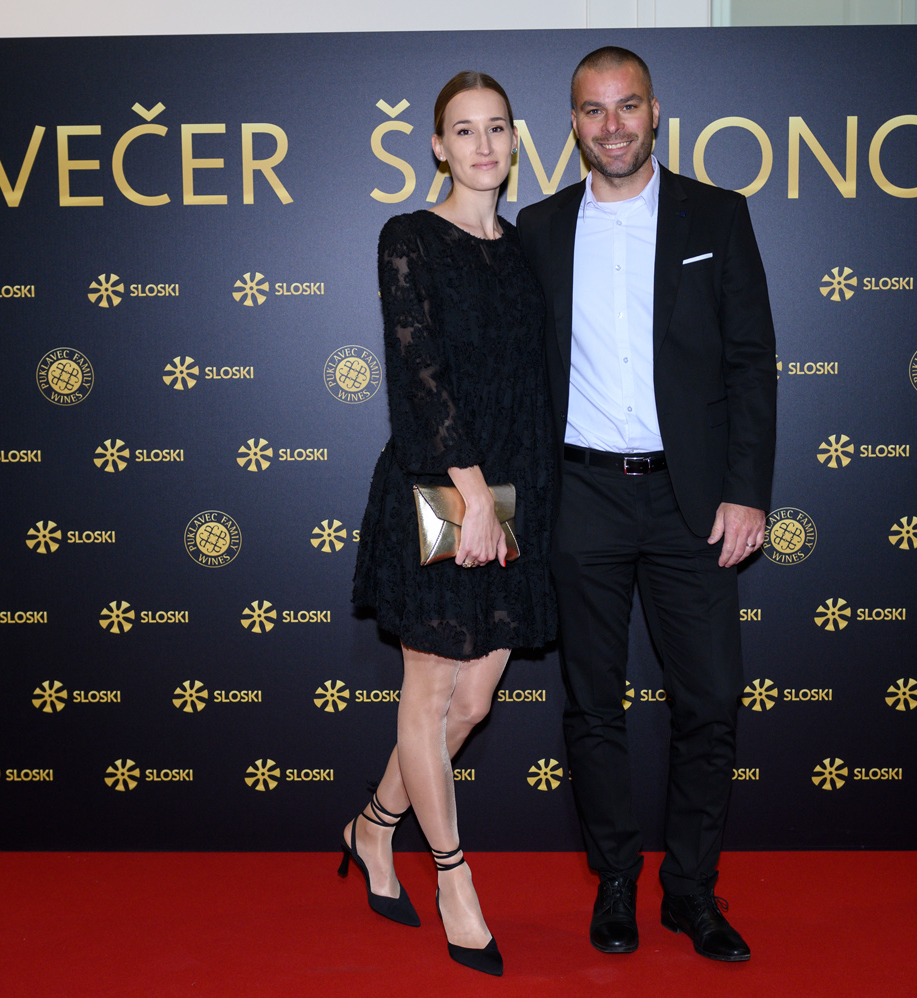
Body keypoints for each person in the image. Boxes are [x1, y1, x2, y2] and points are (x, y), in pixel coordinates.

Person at [516, 46, 777, 963]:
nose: (613, 125)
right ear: (573, 124)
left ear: (656, 112)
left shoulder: (717, 214)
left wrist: (747, 492)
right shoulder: (539, 229)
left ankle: (692, 890)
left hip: (689, 500)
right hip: (580, 494)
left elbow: (751, 363)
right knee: (594, 704)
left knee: (710, 701)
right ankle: (616, 879)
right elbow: (508, 373)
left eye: (627, 106)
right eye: (593, 110)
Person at [346, 71, 555, 978]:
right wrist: (470, 495)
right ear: (437, 146)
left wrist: (513, 504)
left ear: (514, 140)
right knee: (430, 696)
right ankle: (453, 879)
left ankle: (371, 826)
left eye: (496, 128)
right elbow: (417, 375)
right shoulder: (408, 239)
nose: (482, 145)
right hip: (439, 487)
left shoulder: (528, 248)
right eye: (464, 130)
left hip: (517, 492)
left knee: (473, 704)